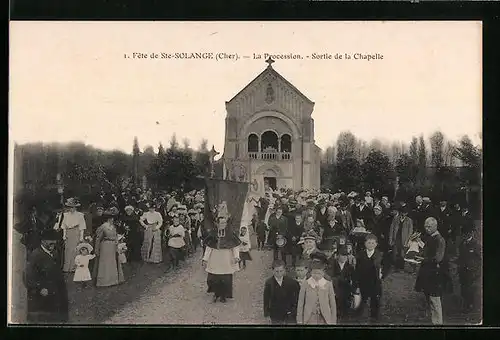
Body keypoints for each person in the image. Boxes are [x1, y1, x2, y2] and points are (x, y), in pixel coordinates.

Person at [24, 228, 69, 323]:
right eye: (50, 240)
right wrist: (39, 288)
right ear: (43, 241)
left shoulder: (55, 253)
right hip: (44, 293)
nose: (53, 243)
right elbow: (28, 276)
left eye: (55, 240)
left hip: (57, 291)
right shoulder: (36, 255)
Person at [415, 217, 446, 325]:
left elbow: (438, 258)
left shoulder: (439, 239)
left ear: (435, 226)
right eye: (425, 226)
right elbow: (427, 251)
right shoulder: (430, 237)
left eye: (429, 227)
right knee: (428, 296)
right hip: (427, 272)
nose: (427, 229)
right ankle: (433, 320)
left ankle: (438, 323)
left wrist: (424, 259)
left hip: (434, 273)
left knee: (435, 299)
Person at [202, 216, 241, 303]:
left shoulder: (230, 234)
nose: (223, 225)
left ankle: (223, 295)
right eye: (221, 223)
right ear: (217, 224)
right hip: (215, 258)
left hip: (226, 258)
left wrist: (236, 257)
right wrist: (205, 259)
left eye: (224, 223)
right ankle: (216, 294)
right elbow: (209, 248)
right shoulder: (213, 234)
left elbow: (235, 247)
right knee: (215, 278)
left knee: (225, 278)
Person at [353, 233, 383, 323]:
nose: (371, 245)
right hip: (363, 280)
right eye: (369, 243)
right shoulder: (360, 255)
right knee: (362, 296)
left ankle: (374, 315)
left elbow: (386, 266)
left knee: (375, 298)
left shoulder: (379, 255)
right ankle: (358, 312)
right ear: (365, 243)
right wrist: (356, 280)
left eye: (373, 243)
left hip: (375, 281)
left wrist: (382, 274)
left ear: (376, 244)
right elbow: (357, 268)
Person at [93, 210, 125, 287]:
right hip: (105, 246)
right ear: (107, 219)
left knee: (112, 262)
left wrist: (117, 244)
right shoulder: (103, 227)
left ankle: (113, 280)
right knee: (105, 263)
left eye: (112, 218)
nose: (112, 220)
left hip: (113, 246)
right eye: (110, 218)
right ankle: (104, 281)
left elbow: (116, 236)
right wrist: (97, 249)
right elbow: (98, 239)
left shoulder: (113, 227)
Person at [263, 260, 300, 325]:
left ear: (284, 270)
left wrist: (293, 310)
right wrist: (267, 314)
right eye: (277, 271)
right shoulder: (269, 283)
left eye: (281, 271)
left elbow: (296, 297)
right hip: (275, 312)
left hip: (289, 312)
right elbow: (266, 299)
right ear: (273, 271)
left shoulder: (292, 282)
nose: (279, 273)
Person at [56, 197, 87, 273]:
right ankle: (67, 268)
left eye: (73, 207)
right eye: (70, 207)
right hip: (68, 233)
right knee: (68, 250)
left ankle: (74, 267)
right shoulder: (65, 215)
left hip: (76, 232)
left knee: (75, 250)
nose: (71, 209)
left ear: (76, 207)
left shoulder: (80, 215)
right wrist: (64, 235)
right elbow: (63, 226)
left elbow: (82, 227)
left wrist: (81, 237)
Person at [329, 245, 355, 321]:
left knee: (345, 309)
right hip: (334, 289)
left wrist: (353, 290)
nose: (344, 258)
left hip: (346, 291)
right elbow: (331, 276)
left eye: (345, 256)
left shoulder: (350, 267)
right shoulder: (333, 265)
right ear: (337, 256)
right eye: (342, 255)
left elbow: (353, 279)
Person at [458, 230, 481, 313]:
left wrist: (475, 269)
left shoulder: (476, 244)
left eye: (467, 233)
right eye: (464, 233)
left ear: (471, 233)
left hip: (471, 271)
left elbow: (479, 259)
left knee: (470, 289)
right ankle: (465, 305)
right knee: (463, 288)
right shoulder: (462, 244)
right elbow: (460, 256)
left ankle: (470, 306)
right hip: (462, 270)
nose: (465, 235)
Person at [388, 204, 414, 272]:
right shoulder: (395, 219)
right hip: (396, 238)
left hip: (404, 239)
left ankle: (401, 267)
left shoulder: (409, 220)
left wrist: (408, 241)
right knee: (395, 253)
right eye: (402, 212)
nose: (403, 214)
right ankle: (395, 267)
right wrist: (390, 239)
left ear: (407, 213)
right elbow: (391, 229)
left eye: (405, 213)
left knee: (402, 254)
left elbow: (410, 231)